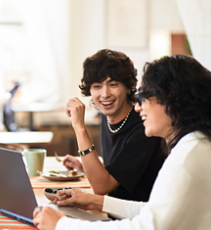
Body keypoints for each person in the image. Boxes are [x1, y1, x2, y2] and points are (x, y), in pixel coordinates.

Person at [33, 55, 211, 230]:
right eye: (97, 86)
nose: (138, 106)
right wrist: (94, 200)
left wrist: (61, 224)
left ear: (172, 101)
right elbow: (152, 210)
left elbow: (147, 226)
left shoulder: (184, 158)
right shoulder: (194, 146)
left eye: (145, 97)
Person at [62, 49, 165, 201]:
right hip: (113, 207)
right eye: (97, 86)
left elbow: (101, 187)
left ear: (128, 86)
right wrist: (84, 167)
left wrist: (79, 128)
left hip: (136, 216)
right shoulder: (108, 113)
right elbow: (116, 172)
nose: (105, 94)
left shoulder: (144, 127)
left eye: (113, 84)